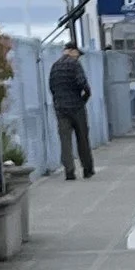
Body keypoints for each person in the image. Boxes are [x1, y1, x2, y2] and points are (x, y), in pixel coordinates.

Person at [48, 33, 94, 180]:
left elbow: (52, 87)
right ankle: (87, 169)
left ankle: (69, 171)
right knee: (82, 139)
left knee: (65, 140)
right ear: (73, 51)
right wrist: (84, 98)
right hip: (77, 107)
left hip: (60, 108)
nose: (78, 57)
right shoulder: (75, 64)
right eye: (77, 54)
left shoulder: (54, 66)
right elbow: (83, 85)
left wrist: (58, 102)